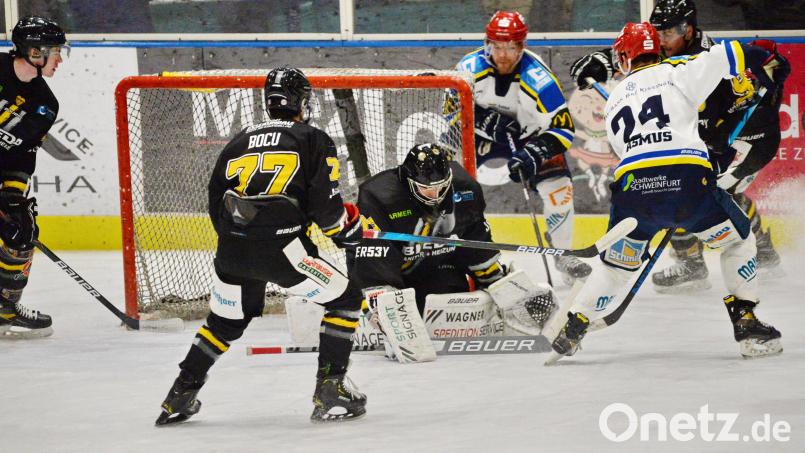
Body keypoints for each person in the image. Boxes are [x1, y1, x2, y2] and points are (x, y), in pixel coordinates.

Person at [549, 22, 784, 362]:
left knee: (615, 266)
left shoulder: (614, 97)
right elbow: (732, 53)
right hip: (687, 184)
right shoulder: (680, 70)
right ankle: (746, 321)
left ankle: (573, 327)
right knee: (737, 241)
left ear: (624, 59)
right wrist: (765, 54)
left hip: (633, 193)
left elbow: (629, 150)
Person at [156, 67, 367, 425]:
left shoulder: (237, 141)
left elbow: (215, 203)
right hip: (284, 251)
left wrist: (240, 241)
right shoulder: (313, 138)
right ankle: (330, 390)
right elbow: (326, 209)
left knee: (223, 323)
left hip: (232, 250)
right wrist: (347, 232)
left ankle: (180, 395)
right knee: (346, 301)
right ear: (301, 100)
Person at [568, 0, 788, 293]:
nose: (661, 41)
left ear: (688, 30)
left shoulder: (706, 59)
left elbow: (733, 115)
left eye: (668, 33)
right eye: (657, 33)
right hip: (709, 135)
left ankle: (761, 252)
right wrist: (607, 59)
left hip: (747, 139)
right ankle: (695, 262)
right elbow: (644, 58)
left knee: (712, 189)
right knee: (669, 185)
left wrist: (714, 153)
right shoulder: (669, 57)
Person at [350, 142, 554, 350]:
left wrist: (498, 283)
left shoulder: (464, 188)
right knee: (400, 307)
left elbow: (475, 242)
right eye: (427, 189)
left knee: (447, 297)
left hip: (434, 266)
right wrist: (383, 308)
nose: (436, 195)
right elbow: (371, 260)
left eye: (441, 187)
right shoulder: (378, 197)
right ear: (409, 182)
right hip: (385, 271)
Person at [453, 10, 591, 285]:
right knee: (448, 181)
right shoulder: (468, 70)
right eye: (498, 47)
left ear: (522, 46)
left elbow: (563, 129)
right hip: (476, 134)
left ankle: (562, 253)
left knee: (558, 187)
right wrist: (488, 123)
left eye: (511, 47)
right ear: (487, 43)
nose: (503, 55)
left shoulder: (539, 79)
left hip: (529, 137)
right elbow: (450, 112)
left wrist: (532, 154)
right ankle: (444, 246)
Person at [0, 16, 68, 339]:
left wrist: (13, 197)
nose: (60, 59)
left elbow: (22, 155)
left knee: (22, 228)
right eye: (55, 51)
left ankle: (4, 308)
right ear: (35, 52)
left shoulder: (45, 106)